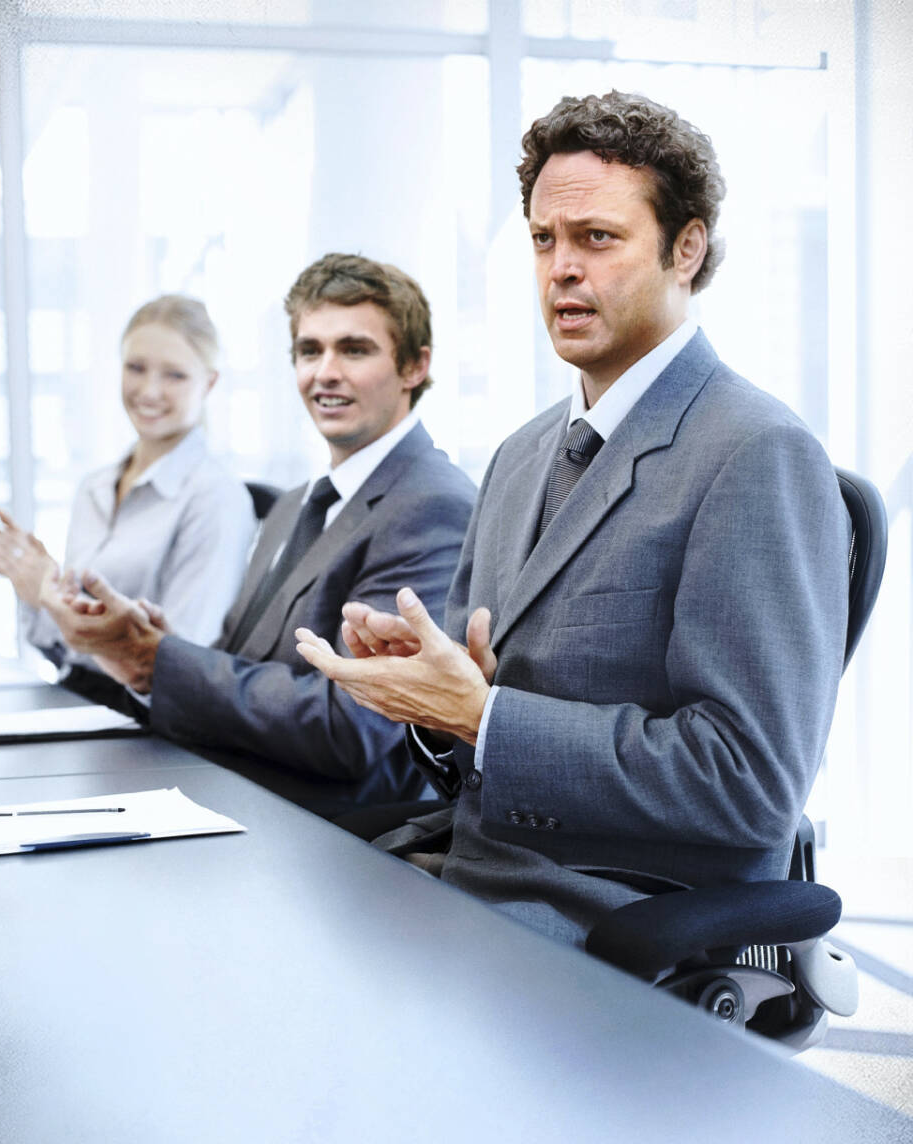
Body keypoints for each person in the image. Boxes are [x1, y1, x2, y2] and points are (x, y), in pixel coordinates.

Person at [296, 92, 851, 948]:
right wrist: (435, 700)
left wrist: (486, 719)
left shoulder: (756, 453)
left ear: (686, 249)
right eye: (544, 241)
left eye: (598, 238)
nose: (560, 268)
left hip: (602, 915)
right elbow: (475, 727)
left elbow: (749, 785)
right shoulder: (521, 457)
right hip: (470, 876)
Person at [39, 253, 475, 811]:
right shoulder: (295, 504)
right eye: (309, 350)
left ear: (415, 367)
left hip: (325, 835)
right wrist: (147, 645)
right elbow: (243, 662)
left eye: (355, 349)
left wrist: (161, 661)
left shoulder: (431, 504)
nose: (326, 372)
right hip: (230, 790)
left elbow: (352, 730)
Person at [0, 295, 256, 699]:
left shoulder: (216, 498)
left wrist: (56, 601)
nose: (149, 391)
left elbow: (187, 663)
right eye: (136, 368)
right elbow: (62, 651)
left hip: (150, 722)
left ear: (209, 383)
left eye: (174, 375)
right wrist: (35, 586)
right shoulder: (94, 488)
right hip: (78, 698)